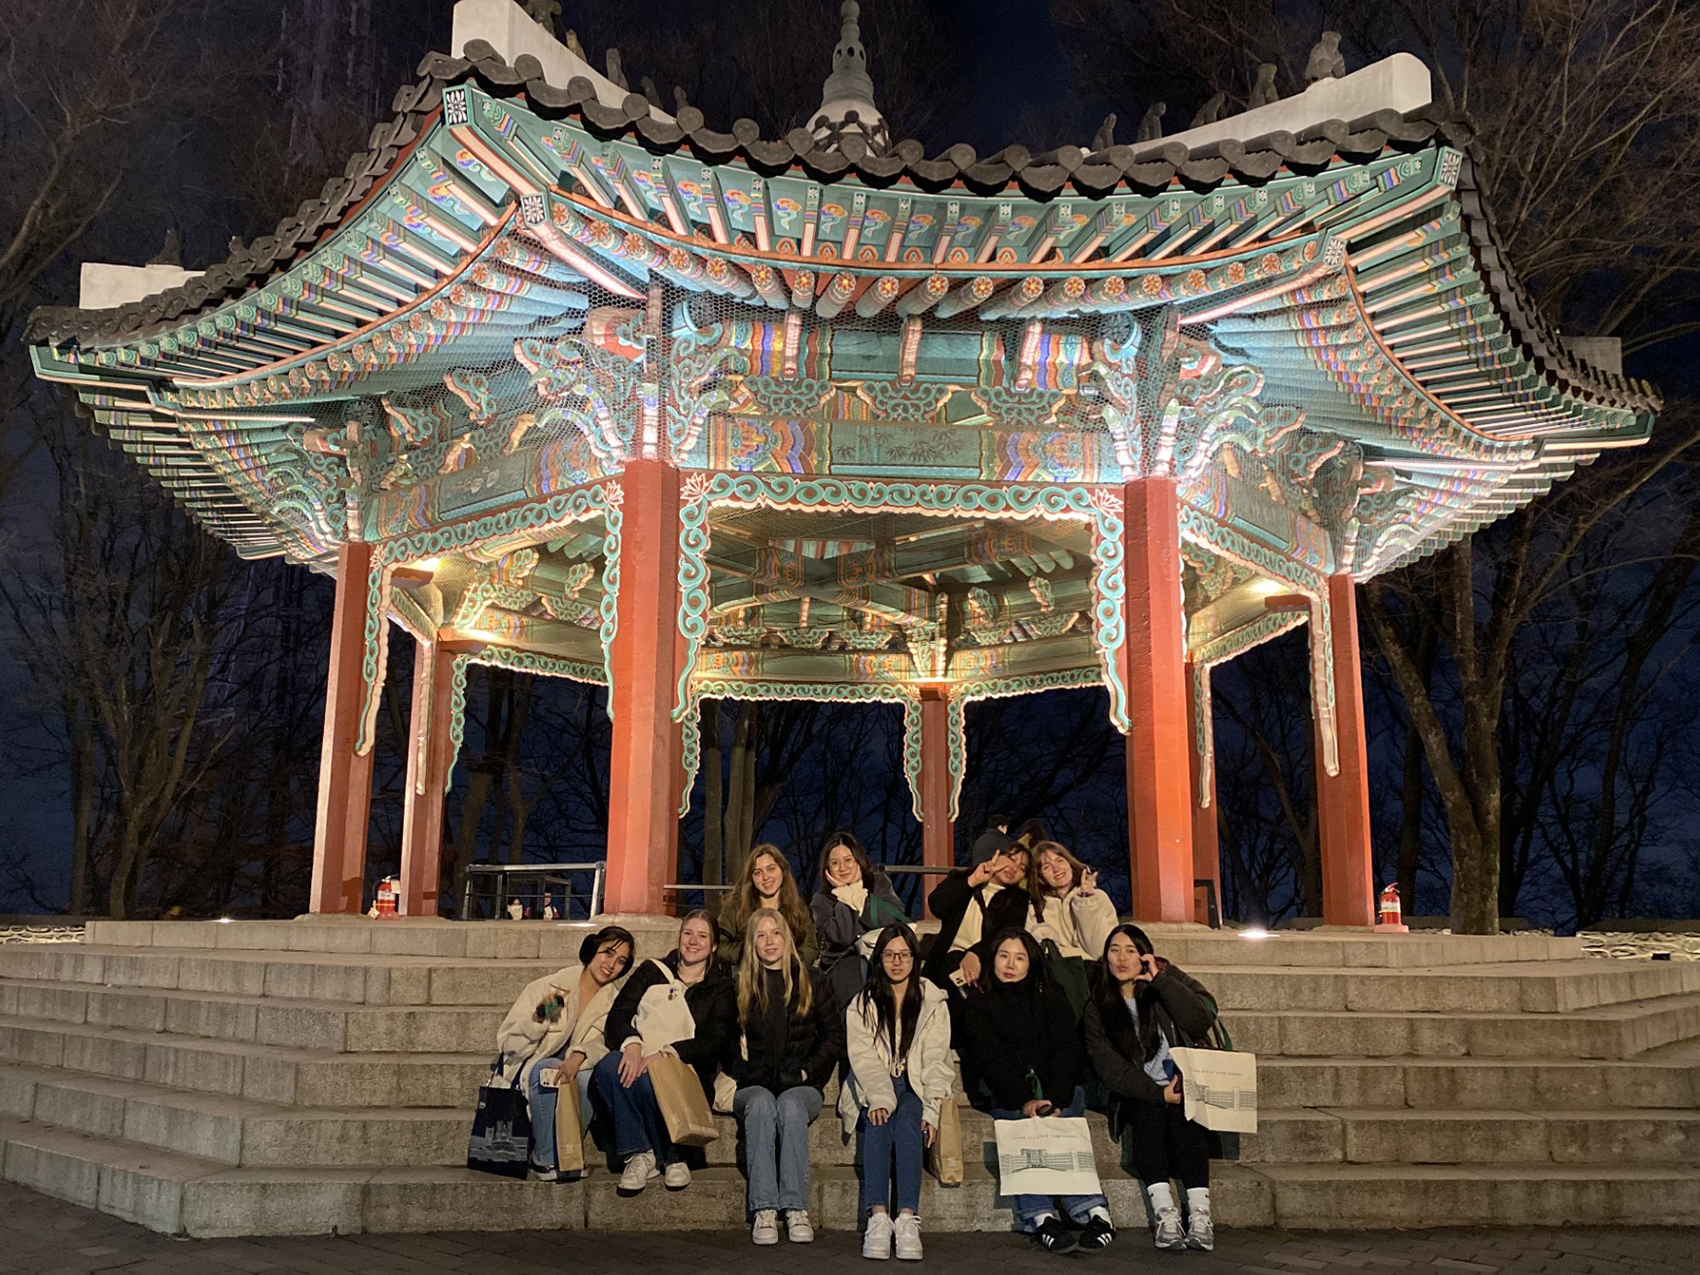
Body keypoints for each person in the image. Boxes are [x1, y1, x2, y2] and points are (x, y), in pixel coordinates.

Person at [960, 928, 1113, 1256]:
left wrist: (1055, 1098)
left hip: (1057, 1086)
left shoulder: (1051, 994)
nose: (1010, 965)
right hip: (1009, 1090)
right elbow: (988, 1057)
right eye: (1003, 956)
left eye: (1019, 957)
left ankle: (1094, 1212)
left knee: (1066, 1116)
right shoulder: (979, 1002)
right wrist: (1024, 1099)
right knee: (1020, 1122)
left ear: (1032, 962)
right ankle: (1040, 1216)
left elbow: (1066, 1048)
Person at [1083, 924, 1220, 1252]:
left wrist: (1160, 980)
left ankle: (1200, 1212)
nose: (1121, 958)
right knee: (1148, 1116)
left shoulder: (1162, 985)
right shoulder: (1098, 1007)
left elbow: (1199, 1020)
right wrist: (1157, 1093)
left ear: (1144, 955)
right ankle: (1165, 1212)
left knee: (1184, 1119)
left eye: (1130, 950)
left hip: (1181, 1084)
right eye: (1114, 950)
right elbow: (1111, 1069)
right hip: (1136, 1093)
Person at [593, 909, 736, 1195]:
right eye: (687, 933)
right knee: (610, 1068)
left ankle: (671, 1154)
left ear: (714, 945)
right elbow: (619, 1015)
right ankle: (642, 1153)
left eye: (702, 936)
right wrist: (632, 1044)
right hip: (640, 1054)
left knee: (648, 1079)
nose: (693, 941)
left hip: (688, 1071)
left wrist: (668, 1052)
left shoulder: (720, 986)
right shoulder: (651, 971)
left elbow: (715, 1040)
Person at [725, 907, 842, 1246]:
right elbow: (726, 1041)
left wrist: (807, 1070)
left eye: (775, 933)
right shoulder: (742, 985)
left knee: (790, 1107)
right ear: (752, 943)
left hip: (802, 1086)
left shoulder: (813, 980)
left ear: (786, 937)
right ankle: (764, 1208)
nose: (769, 941)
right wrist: (745, 1071)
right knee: (761, 1104)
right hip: (754, 1084)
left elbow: (833, 1037)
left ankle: (794, 1207)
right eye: (760, 935)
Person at [839, 924, 954, 1261]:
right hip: (873, 1083)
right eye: (889, 955)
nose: (897, 961)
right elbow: (862, 1059)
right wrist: (880, 1096)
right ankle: (877, 1216)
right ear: (880, 959)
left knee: (909, 1119)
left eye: (904, 954)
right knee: (879, 1119)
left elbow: (936, 1060)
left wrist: (932, 1109)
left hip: (916, 1084)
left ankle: (906, 1218)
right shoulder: (862, 1003)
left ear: (914, 958)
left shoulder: (933, 1000)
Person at [494, 924, 634, 1181]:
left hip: (574, 1070)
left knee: (587, 1076)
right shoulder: (553, 988)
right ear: (593, 950)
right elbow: (508, 1043)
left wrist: (578, 1056)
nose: (611, 964)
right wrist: (542, 1016)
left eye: (621, 960)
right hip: (532, 1068)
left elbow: (604, 1043)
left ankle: (568, 1153)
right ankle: (544, 1158)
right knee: (548, 1069)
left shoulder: (614, 1004)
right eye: (607, 953)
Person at [812, 830, 908, 1017]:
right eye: (835, 863)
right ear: (827, 868)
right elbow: (842, 937)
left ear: (859, 860)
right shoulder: (821, 899)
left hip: (881, 959)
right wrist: (843, 895)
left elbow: (890, 920)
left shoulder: (879, 883)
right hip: (842, 966)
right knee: (856, 969)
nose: (842, 868)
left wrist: (858, 895)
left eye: (848, 860)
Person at [923, 843, 1037, 989]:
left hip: (985, 962)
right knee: (952, 963)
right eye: (1011, 859)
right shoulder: (961, 879)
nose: (1014, 868)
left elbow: (1006, 933)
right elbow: (937, 906)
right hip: (945, 959)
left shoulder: (1019, 900)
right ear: (996, 855)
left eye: (1022, 868)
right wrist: (973, 880)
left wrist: (975, 953)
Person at [717, 844, 820, 969]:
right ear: (751, 878)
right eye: (758, 872)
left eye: (771, 869)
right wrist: (751, 952)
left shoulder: (798, 908)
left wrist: (790, 964)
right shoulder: (736, 907)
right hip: (746, 977)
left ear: (782, 870)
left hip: (789, 978)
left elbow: (810, 946)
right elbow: (719, 945)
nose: (766, 877)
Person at [1028, 841, 1117, 962]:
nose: (1056, 869)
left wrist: (1086, 904)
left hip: (1098, 976)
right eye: (1047, 867)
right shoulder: (1036, 909)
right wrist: (1078, 955)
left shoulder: (1098, 898)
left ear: (1070, 863)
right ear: (1041, 877)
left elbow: (1100, 951)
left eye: (1060, 860)